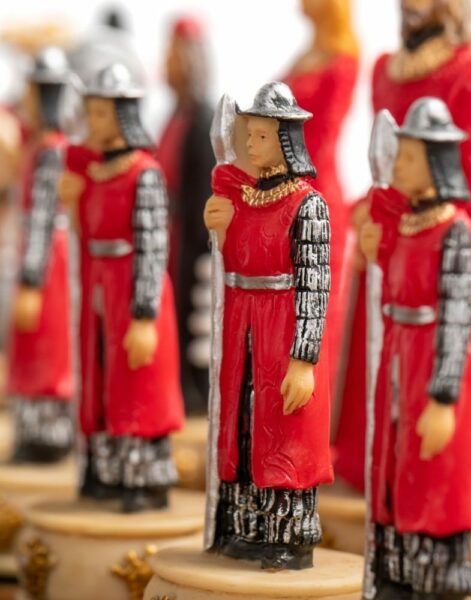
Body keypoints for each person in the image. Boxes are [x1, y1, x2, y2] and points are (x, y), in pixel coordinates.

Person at [333, 0, 471, 491]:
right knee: (378, 355)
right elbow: (388, 168)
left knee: (428, 361)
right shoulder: (384, 71)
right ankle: (368, 464)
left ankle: (423, 481)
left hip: (439, 248)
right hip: (389, 239)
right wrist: (367, 206)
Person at [204, 82, 332, 570]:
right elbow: (231, 263)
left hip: (281, 328)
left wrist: (304, 358)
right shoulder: (240, 198)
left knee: (281, 428)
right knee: (242, 425)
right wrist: (218, 230)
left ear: (285, 141)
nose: (252, 145)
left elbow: (315, 286)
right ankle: (245, 527)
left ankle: (287, 534)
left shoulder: (309, 206)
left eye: (261, 136)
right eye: (250, 135)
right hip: (242, 324)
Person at [361, 98, 471, 599]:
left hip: (430, 361)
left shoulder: (457, 232)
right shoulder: (403, 225)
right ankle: (396, 572)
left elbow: (457, 317)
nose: (399, 165)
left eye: (409, 157)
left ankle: (434, 578)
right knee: (394, 465)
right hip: (397, 353)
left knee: (431, 473)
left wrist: (443, 396)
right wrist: (376, 252)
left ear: (435, 161)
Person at [75, 63, 184, 512]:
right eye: (91, 112)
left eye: (101, 113)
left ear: (122, 115)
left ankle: (144, 477)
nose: (92, 122)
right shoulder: (95, 174)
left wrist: (144, 313)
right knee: (101, 376)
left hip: (130, 288)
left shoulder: (145, 174)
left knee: (137, 383)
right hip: (101, 287)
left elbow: (154, 246)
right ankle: (107, 469)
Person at [284, 0, 358, 396]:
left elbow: (324, 133)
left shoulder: (342, 60)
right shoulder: (305, 56)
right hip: (289, 185)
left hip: (317, 188)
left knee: (316, 300)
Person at [7, 47, 74, 463]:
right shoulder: (40, 148)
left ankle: (49, 433)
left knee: (47, 349)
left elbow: (43, 217)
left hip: (48, 263)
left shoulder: (51, 151)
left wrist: (32, 278)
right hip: (41, 257)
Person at [156, 16, 214, 414]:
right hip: (172, 236)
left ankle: (192, 389)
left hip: (191, 243)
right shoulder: (174, 117)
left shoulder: (201, 120)